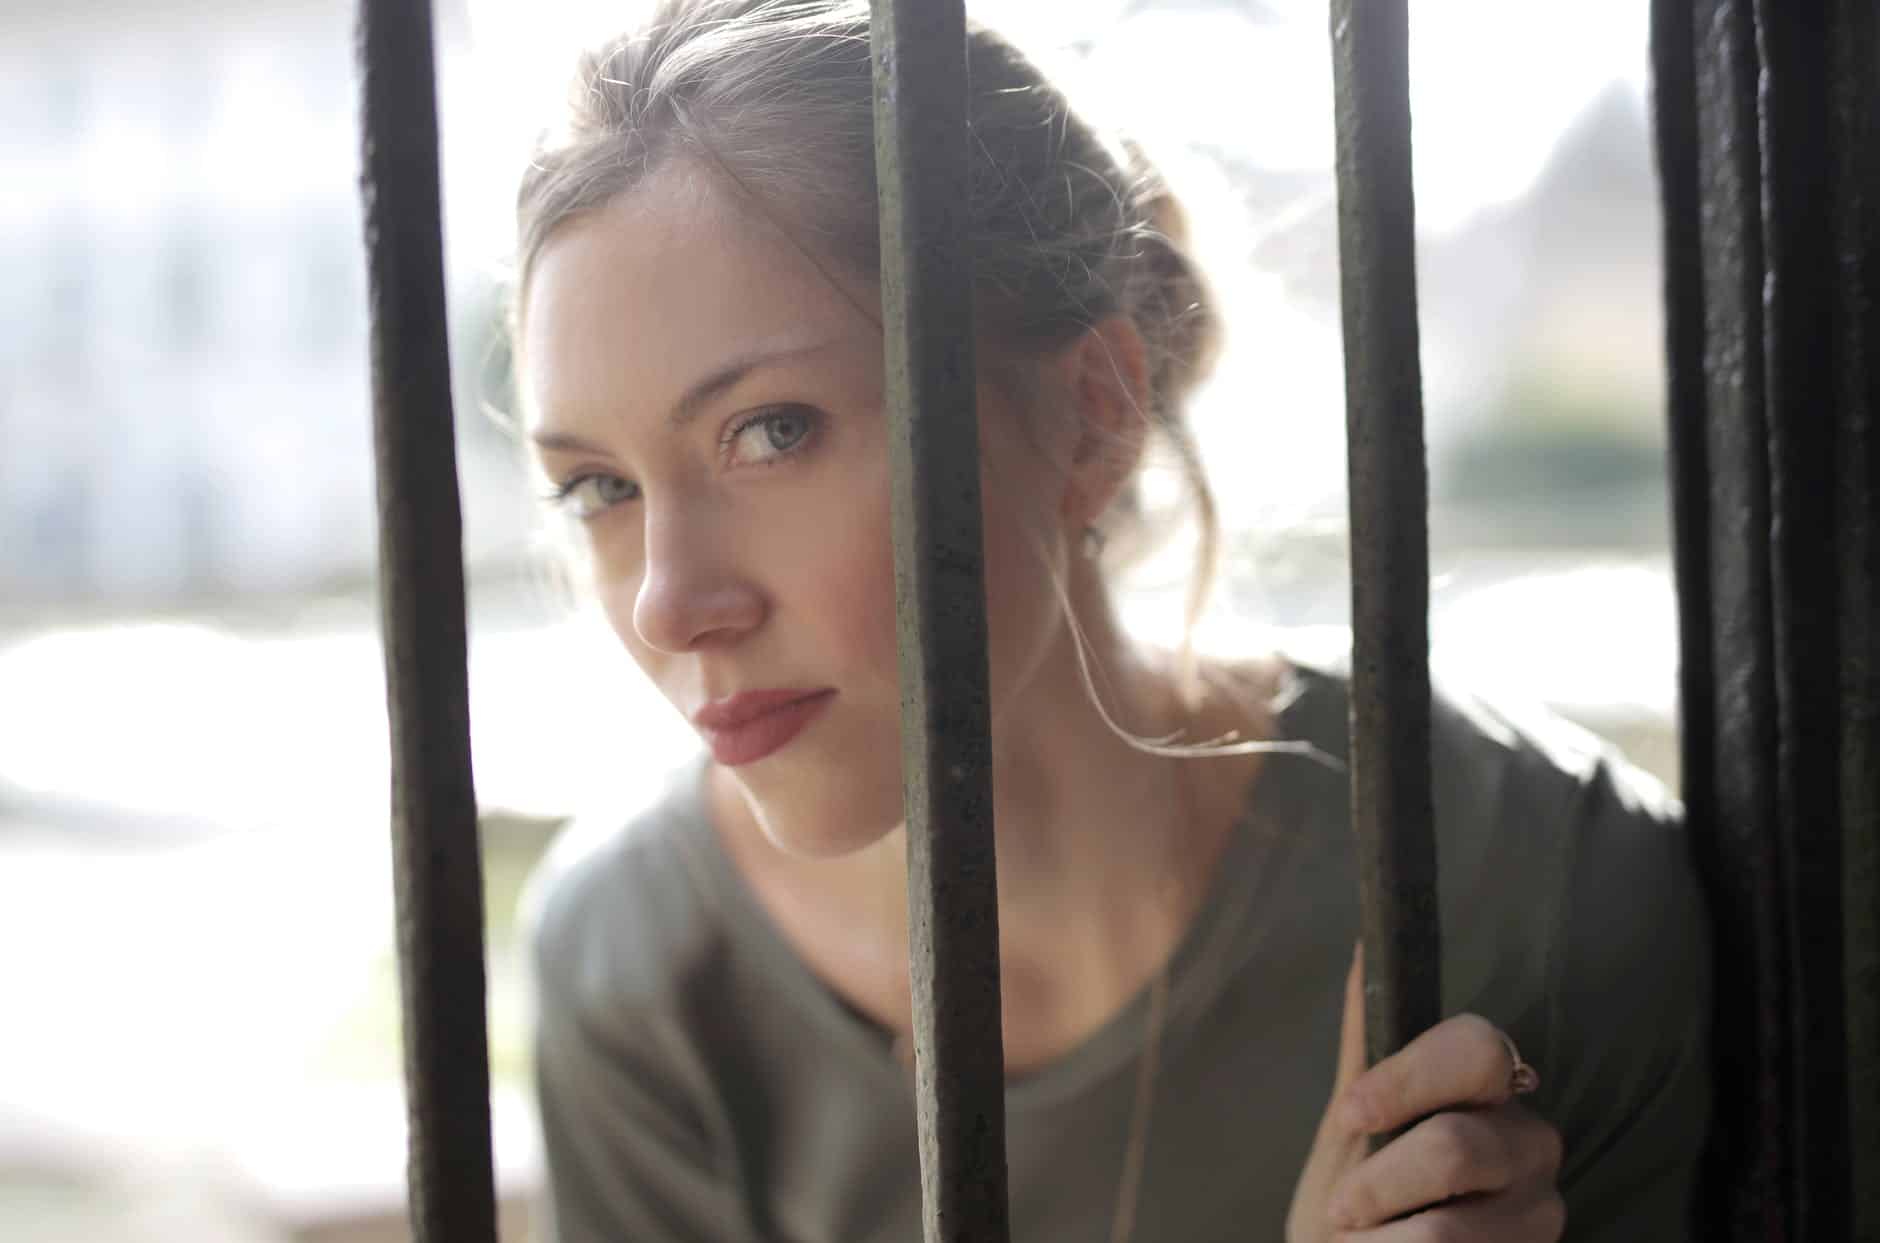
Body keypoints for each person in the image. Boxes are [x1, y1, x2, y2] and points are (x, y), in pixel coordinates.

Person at [510, 2, 1712, 1239]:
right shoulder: (635, 970)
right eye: (599, 486)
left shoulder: (1526, 884)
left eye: (772, 431)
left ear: (1090, 412)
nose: (666, 602)